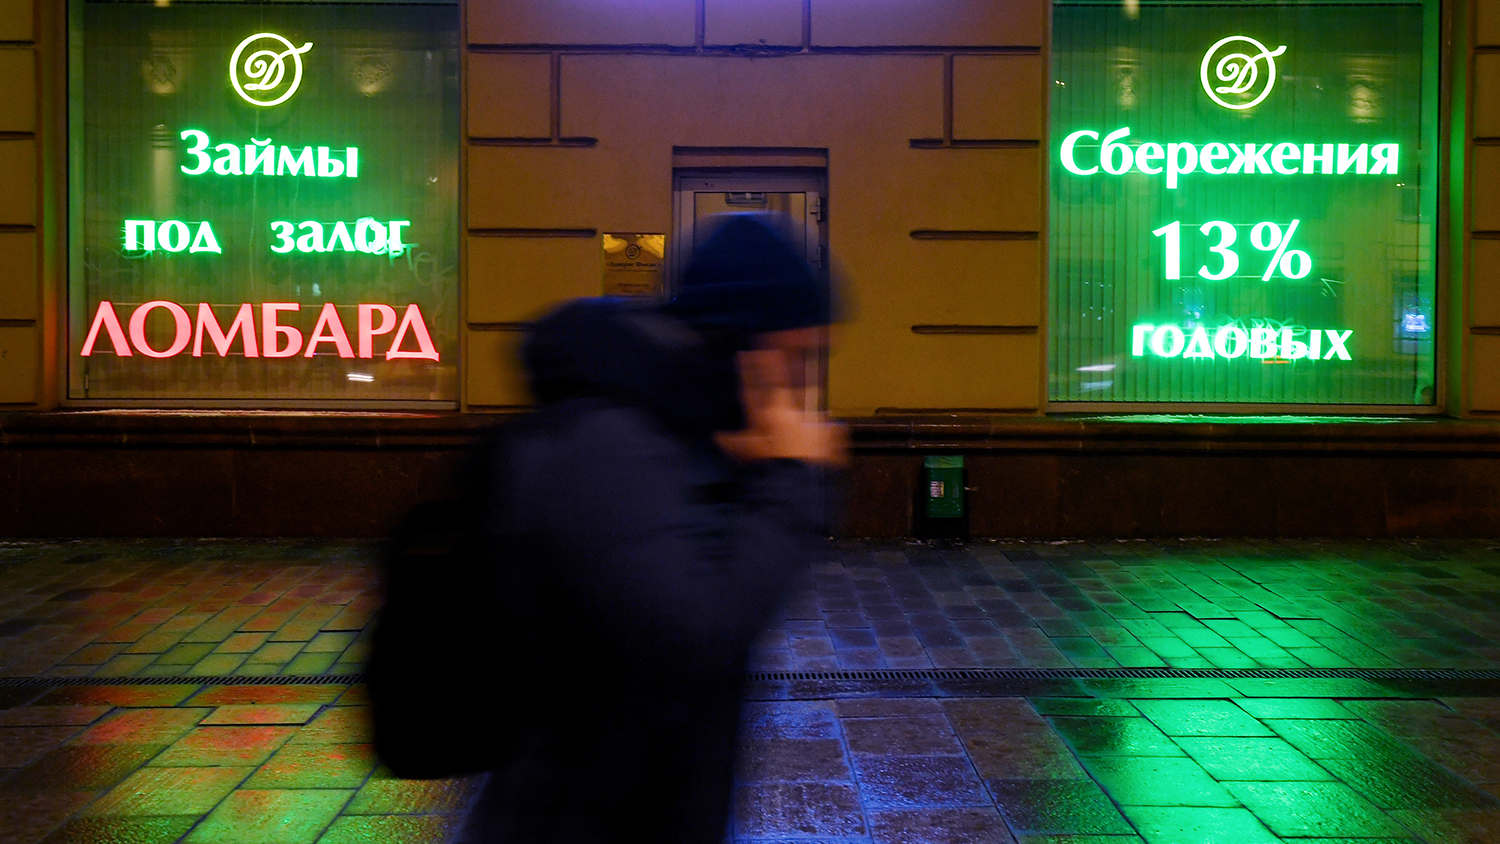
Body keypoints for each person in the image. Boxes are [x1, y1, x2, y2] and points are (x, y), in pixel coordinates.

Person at [453, 214, 845, 844]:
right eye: (796, 356)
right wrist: (792, 480)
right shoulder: (606, 442)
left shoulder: (676, 431)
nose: (802, 383)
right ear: (744, 346)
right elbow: (695, 635)